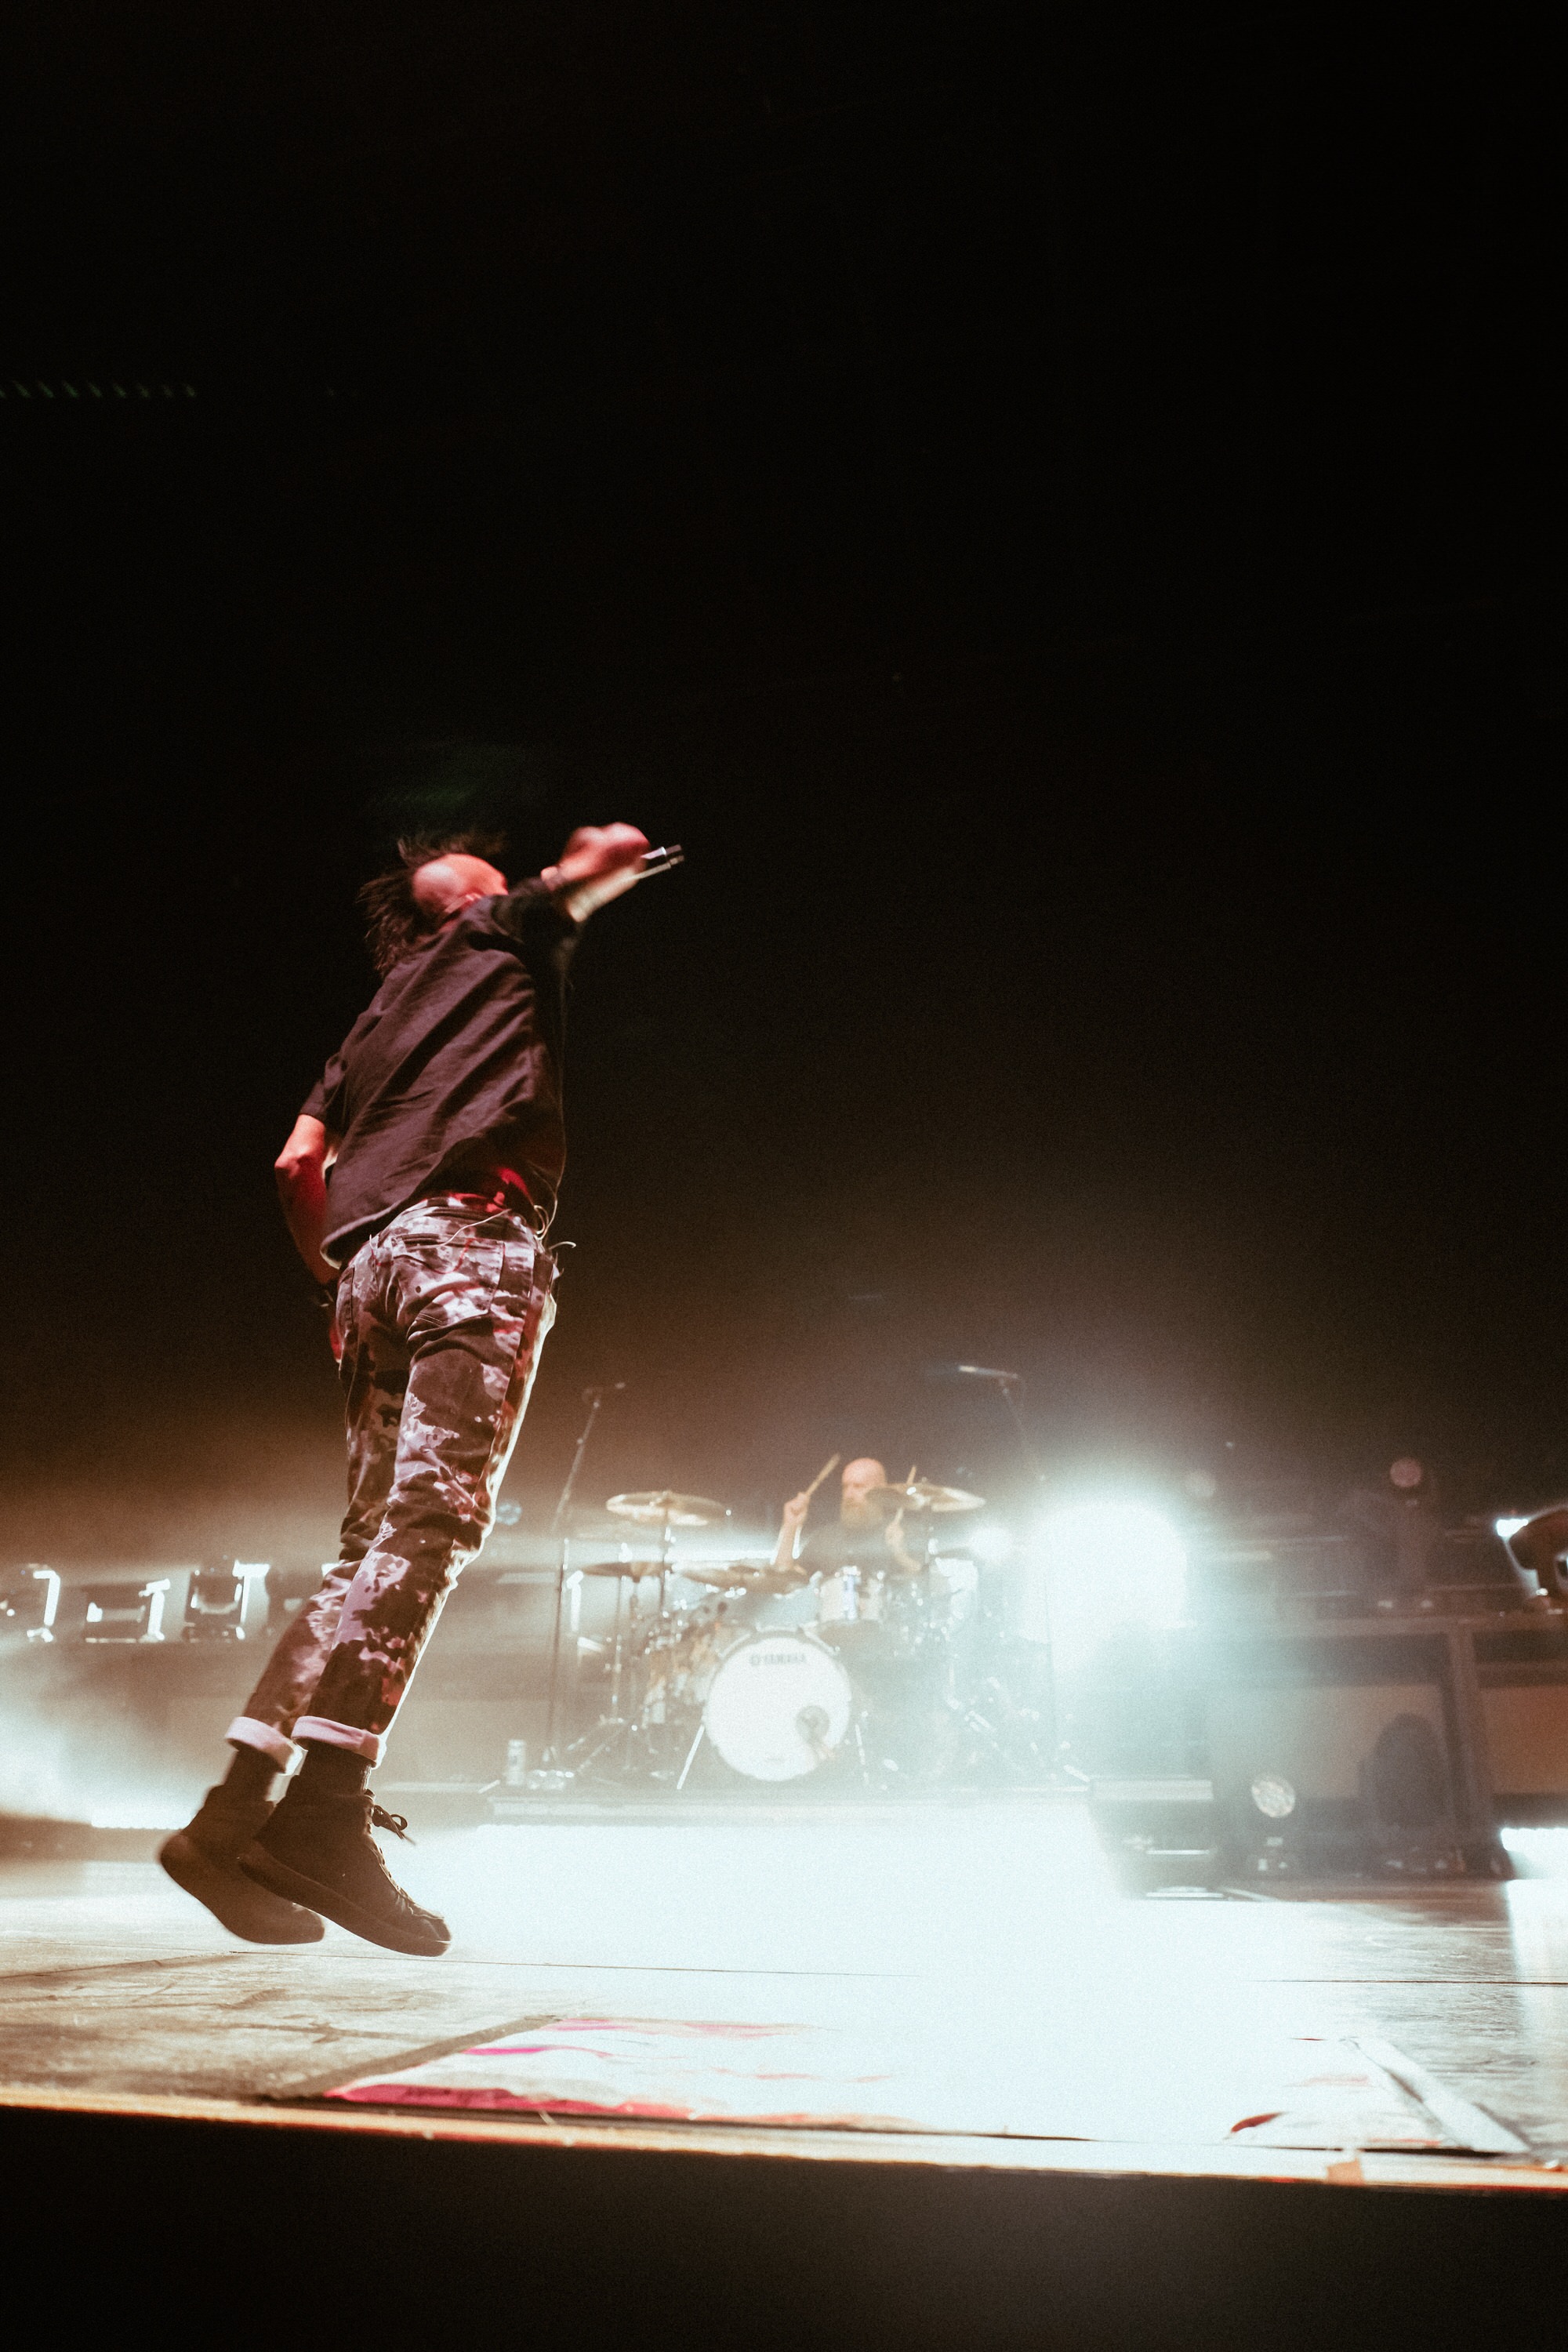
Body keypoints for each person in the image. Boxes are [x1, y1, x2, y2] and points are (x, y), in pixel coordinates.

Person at [160, 822, 652, 1957]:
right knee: (433, 1523)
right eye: (495, 883)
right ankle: (324, 1811)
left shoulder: (368, 1030)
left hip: (370, 1269)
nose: (507, 890)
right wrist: (601, 854)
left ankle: (230, 1818)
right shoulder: (504, 928)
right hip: (470, 1245)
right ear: (470, 901)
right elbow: (611, 854)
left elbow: (297, 1165)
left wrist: (339, 1279)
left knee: (366, 1548)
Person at [774, 1457, 924, 1580]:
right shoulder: (826, 1539)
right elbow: (784, 1583)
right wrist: (790, 1527)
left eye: (859, 1486)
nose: (849, 1495)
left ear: (881, 1491)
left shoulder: (908, 1533)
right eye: (845, 1487)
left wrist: (901, 1554)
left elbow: (927, 1589)